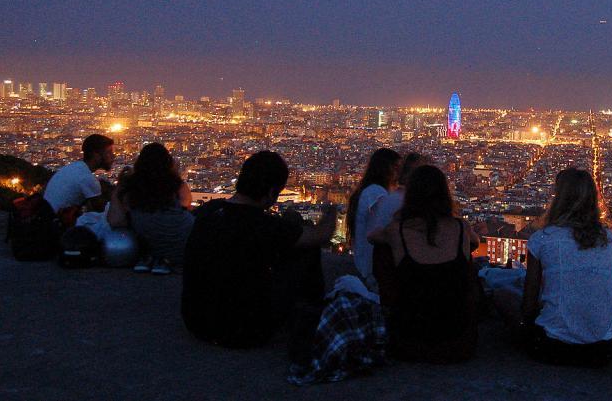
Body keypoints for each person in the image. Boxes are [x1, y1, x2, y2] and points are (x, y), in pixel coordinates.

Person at [182, 151, 336, 350]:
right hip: (246, 331)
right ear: (271, 193)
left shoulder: (208, 211)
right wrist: (332, 210)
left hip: (196, 323)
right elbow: (321, 235)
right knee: (307, 248)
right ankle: (312, 315)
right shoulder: (264, 226)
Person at [494, 168, 612, 367]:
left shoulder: (542, 239)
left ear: (558, 199)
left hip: (550, 348)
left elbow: (529, 305)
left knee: (502, 295)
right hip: (602, 352)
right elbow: (610, 294)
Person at [368, 164, 480, 362]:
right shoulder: (461, 227)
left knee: (384, 250)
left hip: (408, 344)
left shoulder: (398, 230)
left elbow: (372, 237)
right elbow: (475, 242)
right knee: (465, 253)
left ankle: (389, 309)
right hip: (458, 345)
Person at [106, 142, 194, 274]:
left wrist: (120, 186)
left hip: (147, 244)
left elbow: (116, 221)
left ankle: (152, 258)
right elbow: (186, 203)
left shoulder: (131, 188)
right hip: (183, 246)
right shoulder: (175, 184)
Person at [347, 148, 401, 286]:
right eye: (396, 167)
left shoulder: (369, 190)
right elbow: (384, 224)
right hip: (372, 270)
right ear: (385, 169)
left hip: (367, 266)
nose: (399, 173)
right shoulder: (376, 193)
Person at [43, 134, 114, 217]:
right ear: (96, 155)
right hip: (56, 223)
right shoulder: (87, 178)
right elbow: (103, 212)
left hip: (47, 215)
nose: (113, 156)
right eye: (108, 153)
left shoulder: (75, 167)